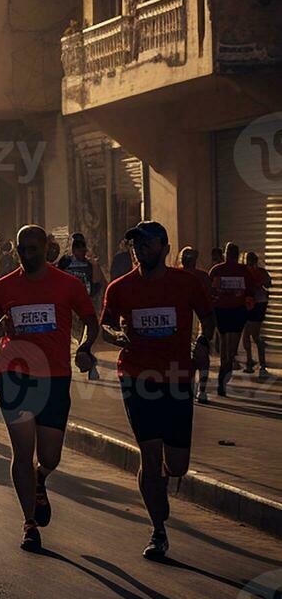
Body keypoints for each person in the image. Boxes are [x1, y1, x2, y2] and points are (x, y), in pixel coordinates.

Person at [99, 221, 215, 560]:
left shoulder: (187, 283)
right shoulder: (120, 288)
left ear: (164, 248)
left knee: (176, 466)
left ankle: (163, 479)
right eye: (135, 244)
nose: (139, 249)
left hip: (178, 377)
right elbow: (106, 323)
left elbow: (208, 318)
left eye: (147, 243)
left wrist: (203, 342)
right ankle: (158, 531)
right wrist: (116, 336)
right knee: (149, 456)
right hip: (137, 378)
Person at [0, 224, 98, 553]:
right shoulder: (3, 288)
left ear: (46, 248)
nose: (28, 255)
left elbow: (90, 319)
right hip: (13, 376)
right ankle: (29, 523)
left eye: (34, 249)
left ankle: (41, 478)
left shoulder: (68, 285)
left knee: (49, 456)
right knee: (22, 451)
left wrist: (86, 347)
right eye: (22, 250)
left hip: (56, 377)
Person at [208, 243, 253, 396]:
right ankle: (224, 377)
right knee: (231, 349)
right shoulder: (243, 271)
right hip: (237, 312)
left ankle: (223, 375)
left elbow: (210, 290)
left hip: (222, 311)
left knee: (226, 347)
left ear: (225, 253)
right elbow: (250, 292)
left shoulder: (217, 269)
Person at [178, 247, 214, 402]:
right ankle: (196, 388)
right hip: (185, 323)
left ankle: (200, 389)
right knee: (192, 358)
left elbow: (210, 301)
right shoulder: (176, 276)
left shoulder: (202, 277)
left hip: (198, 322)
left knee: (200, 356)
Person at [243, 251, 271, 375]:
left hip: (255, 303)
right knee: (250, 335)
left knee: (251, 335)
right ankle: (254, 362)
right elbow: (269, 283)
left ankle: (258, 363)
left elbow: (267, 283)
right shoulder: (258, 271)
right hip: (255, 303)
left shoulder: (253, 272)